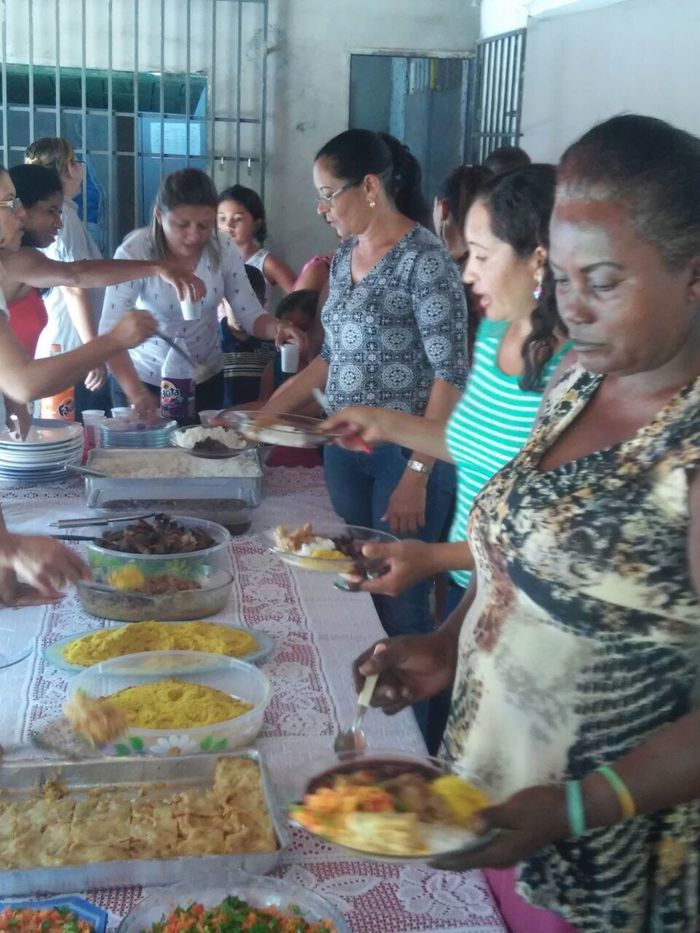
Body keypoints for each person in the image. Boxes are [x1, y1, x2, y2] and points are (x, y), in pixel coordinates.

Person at [351, 114, 700, 932]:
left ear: (695, 274)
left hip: (606, 866)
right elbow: (514, 550)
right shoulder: (577, 381)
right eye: (564, 279)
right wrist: (448, 640)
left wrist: (581, 807)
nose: (573, 309)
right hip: (490, 805)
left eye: (604, 282)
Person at [323, 165, 570, 750]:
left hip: (535, 612)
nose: (467, 270)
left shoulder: (574, 375)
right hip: (474, 591)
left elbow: (550, 537)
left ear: (539, 259)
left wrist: (433, 555)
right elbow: (469, 442)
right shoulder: (494, 333)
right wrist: (381, 423)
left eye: (481, 255)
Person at [262, 129, 467, 640]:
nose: (321, 208)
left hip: (405, 458)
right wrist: (260, 420)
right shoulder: (343, 256)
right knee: (350, 586)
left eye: (329, 194)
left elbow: (451, 375)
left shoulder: (426, 260)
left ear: (370, 186)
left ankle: (412, 709)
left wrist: (418, 474)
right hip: (345, 453)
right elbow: (328, 361)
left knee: (401, 606)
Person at [100, 168, 305, 417]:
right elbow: (109, 335)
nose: (194, 236)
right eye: (182, 225)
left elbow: (250, 313)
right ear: (158, 215)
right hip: (143, 378)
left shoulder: (222, 247)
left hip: (205, 377)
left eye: (205, 225)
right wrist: (137, 394)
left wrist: (278, 328)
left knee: (203, 448)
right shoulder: (135, 252)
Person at [25, 136, 111, 416]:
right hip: (70, 341)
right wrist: (93, 351)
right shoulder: (66, 221)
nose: (80, 168)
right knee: (68, 429)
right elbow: (74, 286)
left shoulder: (67, 217)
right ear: (67, 170)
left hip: (66, 339)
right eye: (75, 161)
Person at [217, 184, 296, 305]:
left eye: (237, 219)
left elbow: (298, 298)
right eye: (222, 219)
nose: (228, 225)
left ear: (257, 224)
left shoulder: (266, 263)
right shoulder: (211, 258)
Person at [220, 264, 275, 406]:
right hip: (218, 424)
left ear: (263, 303)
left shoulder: (274, 344)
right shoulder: (210, 343)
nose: (243, 312)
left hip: (259, 422)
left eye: (252, 304)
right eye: (236, 304)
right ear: (222, 301)